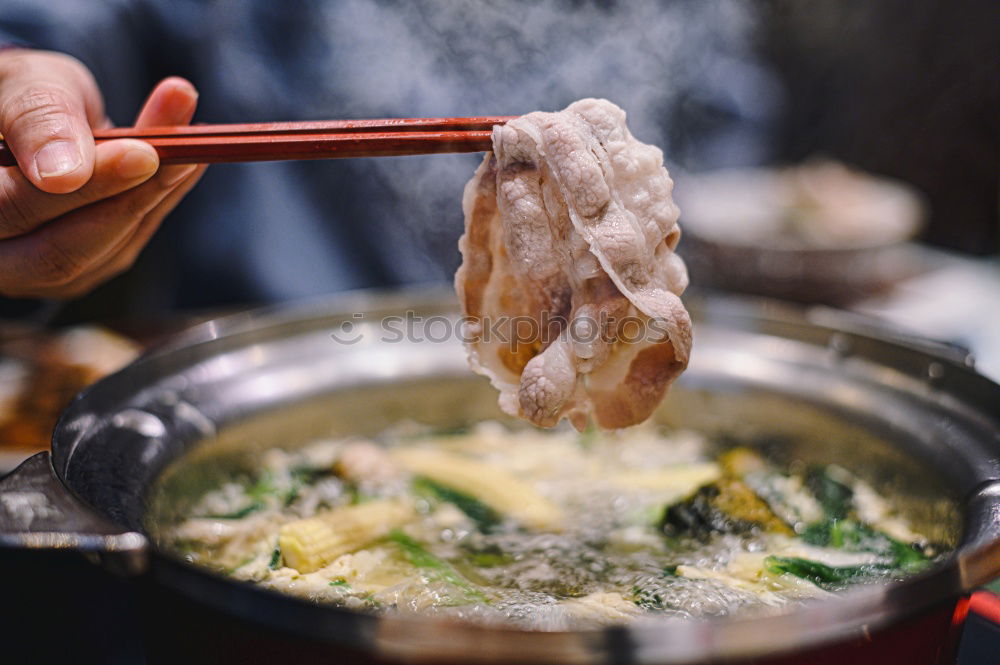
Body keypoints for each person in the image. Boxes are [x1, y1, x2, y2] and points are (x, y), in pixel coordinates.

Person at [0, 1, 771, 319]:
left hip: (629, 386)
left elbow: (722, 171)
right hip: (281, 377)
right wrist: (26, 79)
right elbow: (66, 27)